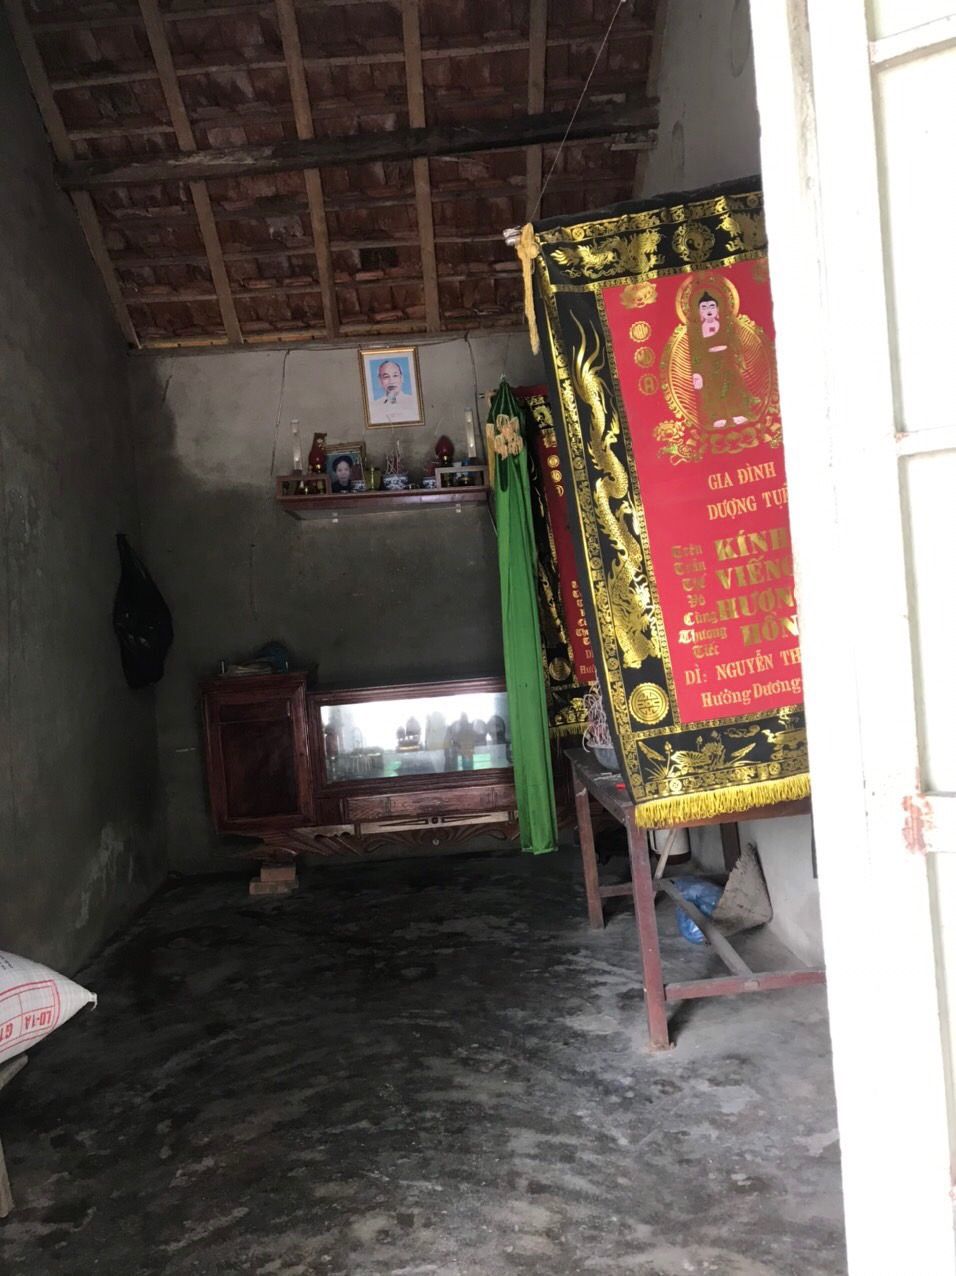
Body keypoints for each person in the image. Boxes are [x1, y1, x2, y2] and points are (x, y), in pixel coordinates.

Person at [688, 289, 759, 429]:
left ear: (718, 308)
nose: (708, 310)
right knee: (713, 389)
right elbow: (695, 352)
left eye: (712, 306)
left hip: (727, 360)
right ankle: (718, 416)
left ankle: (737, 412)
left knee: (732, 386)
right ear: (699, 311)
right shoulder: (696, 331)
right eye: (704, 307)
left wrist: (738, 358)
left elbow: (735, 343)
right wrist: (696, 373)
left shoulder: (727, 324)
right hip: (709, 363)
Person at [368, 358, 418, 424]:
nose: (391, 381)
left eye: (395, 375)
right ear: (380, 381)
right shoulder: (373, 407)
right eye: (386, 377)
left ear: (401, 378)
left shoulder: (414, 402)